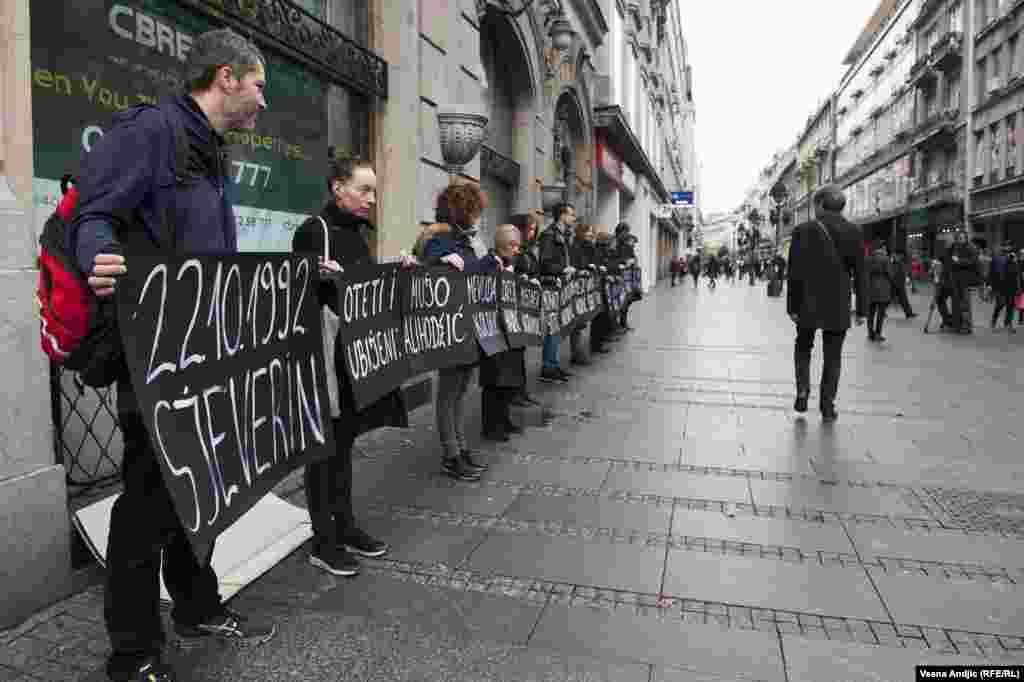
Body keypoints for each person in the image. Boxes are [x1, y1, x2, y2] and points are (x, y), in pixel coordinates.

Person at [72, 28, 275, 682]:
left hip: (204, 355)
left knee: (199, 486)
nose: (263, 100)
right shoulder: (152, 131)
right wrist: (98, 257)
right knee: (147, 500)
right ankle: (132, 652)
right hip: (156, 355)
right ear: (226, 78)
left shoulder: (209, 149)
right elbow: (91, 215)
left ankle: (196, 605)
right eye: (258, 85)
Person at [292, 158, 409, 577]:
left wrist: (399, 274)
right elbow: (294, 295)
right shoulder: (314, 231)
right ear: (338, 188)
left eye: (374, 190)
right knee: (322, 452)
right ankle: (323, 541)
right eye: (364, 189)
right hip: (323, 361)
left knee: (342, 448)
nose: (371, 199)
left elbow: (365, 293)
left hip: (352, 361)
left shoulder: (357, 234)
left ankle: (344, 526)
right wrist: (317, 278)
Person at [421, 183, 491, 481]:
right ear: (463, 211)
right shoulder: (439, 240)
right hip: (450, 331)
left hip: (468, 328)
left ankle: (461, 449)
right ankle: (451, 455)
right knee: (449, 394)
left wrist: (491, 263)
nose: (478, 217)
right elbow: (422, 274)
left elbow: (472, 273)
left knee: (461, 392)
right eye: (475, 211)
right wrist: (439, 262)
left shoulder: (466, 240)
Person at [786, 184, 867, 423]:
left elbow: (794, 271)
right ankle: (827, 406)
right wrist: (862, 309)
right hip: (838, 302)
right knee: (833, 356)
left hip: (807, 300)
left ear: (820, 205)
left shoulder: (803, 230)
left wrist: (792, 306)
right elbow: (860, 272)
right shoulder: (854, 231)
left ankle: (802, 390)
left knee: (803, 346)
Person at [480, 224, 526, 440]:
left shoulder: (509, 264)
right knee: (494, 381)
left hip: (509, 329)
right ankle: (491, 426)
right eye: (514, 245)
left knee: (507, 379)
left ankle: (504, 420)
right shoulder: (488, 264)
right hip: (492, 330)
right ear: (503, 244)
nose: (517, 250)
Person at [537, 202, 577, 382]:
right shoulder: (549, 235)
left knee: (556, 326)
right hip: (551, 286)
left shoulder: (563, 235)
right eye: (571, 214)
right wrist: (562, 269)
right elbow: (544, 263)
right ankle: (548, 367)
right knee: (552, 326)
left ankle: (552, 364)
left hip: (560, 286)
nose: (573, 218)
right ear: (562, 215)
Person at [508, 213, 543, 406]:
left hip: (526, 305)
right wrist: (522, 278)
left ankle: (521, 390)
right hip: (513, 306)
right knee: (514, 351)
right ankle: (514, 392)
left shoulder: (528, 251)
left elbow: (535, 270)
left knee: (521, 350)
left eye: (533, 230)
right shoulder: (513, 250)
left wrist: (534, 279)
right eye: (529, 229)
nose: (531, 233)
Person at [570, 222, 598, 365]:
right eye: (588, 232)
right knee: (578, 322)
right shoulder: (575, 246)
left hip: (585, 287)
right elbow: (575, 265)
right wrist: (583, 269)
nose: (590, 234)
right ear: (581, 233)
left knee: (582, 321)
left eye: (591, 232)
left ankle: (579, 352)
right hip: (577, 287)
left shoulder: (588, 246)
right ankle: (577, 353)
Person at [867, 244, 897, 342]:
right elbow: (890, 274)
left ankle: (870, 333)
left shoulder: (869, 258)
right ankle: (878, 333)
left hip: (871, 288)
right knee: (880, 314)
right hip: (883, 288)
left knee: (871, 313)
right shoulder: (885, 259)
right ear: (882, 249)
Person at [989, 242, 1021, 333]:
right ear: (1002, 247)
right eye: (1006, 246)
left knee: (1010, 306)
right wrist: (989, 285)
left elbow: (1017, 273)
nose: (1007, 248)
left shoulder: (1013, 258)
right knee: (1000, 304)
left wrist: (1018, 287)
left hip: (1011, 286)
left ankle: (1008, 324)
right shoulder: (996, 258)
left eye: (1009, 246)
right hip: (1000, 286)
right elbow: (991, 273)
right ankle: (993, 321)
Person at [614, 222, 638, 328]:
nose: (627, 234)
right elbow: (613, 258)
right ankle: (617, 324)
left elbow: (632, 255)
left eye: (628, 231)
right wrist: (624, 262)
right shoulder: (614, 243)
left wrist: (633, 260)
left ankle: (623, 322)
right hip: (618, 274)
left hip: (628, 275)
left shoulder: (627, 244)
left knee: (627, 300)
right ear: (620, 232)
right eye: (625, 231)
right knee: (617, 300)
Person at [890, 252, 915, 318]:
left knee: (903, 299)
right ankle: (908, 313)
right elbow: (893, 273)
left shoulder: (900, 263)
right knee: (888, 299)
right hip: (895, 284)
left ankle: (908, 313)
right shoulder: (893, 263)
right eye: (896, 256)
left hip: (899, 284)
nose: (898, 257)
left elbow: (905, 272)